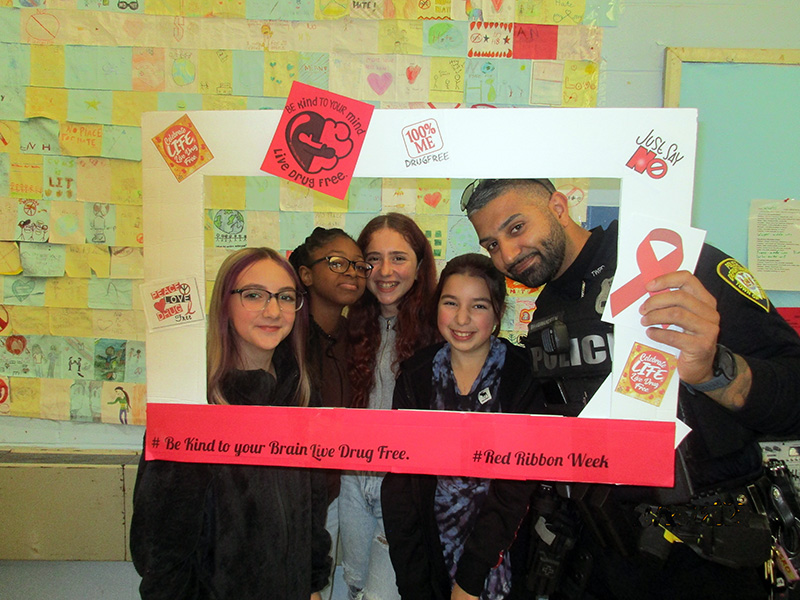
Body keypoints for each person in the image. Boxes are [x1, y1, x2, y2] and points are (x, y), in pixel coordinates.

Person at [463, 178, 800, 599]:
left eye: (516, 228)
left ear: (558, 206)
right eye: (492, 244)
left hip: (708, 561)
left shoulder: (670, 264)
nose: (508, 255)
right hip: (604, 554)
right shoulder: (547, 307)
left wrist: (715, 370)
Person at [130, 247, 332, 600]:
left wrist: (312, 585)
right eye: (254, 295)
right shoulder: (191, 409)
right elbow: (158, 553)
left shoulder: (301, 396)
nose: (273, 311)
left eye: (285, 297)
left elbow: (312, 510)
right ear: (225, 304)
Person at [382, 253, 549, 600]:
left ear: (499, 312)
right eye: (451, 303)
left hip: (500, 555)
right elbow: (400, 486)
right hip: (430, 554)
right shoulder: (415, 375)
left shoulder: (522, 375)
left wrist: (471, 577)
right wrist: (413, 582)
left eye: (478, 306)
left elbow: (515, 486)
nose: (462, 318)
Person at [340, 213, 439, 600]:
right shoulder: (351, 326)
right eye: (372, 259)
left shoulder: (442, 330)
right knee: (356, 588)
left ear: (419, 265)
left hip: (404, 487)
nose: (384, 271)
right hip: (352, 481)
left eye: (398, 258)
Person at [290, 227, 371, 600]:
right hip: (292, 496)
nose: (352, 273)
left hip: (340, 490)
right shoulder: (283, 337)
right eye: (337, 263)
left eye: (359, 265)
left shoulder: (358, 337)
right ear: (306, 274)